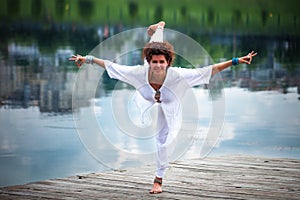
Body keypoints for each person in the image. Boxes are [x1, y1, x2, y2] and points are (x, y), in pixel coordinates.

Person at [69, 21, 257, 194]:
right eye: (154, 62)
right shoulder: (138, 73)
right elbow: (111, 66)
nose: (158, 65)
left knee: (164, 141)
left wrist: (236, 61)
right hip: (148, 97)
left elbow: (208, 71)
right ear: (148, 62)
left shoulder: (178, 75)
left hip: (169, 103)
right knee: (155, 46)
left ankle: (158, 180)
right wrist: (88, 59)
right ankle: (158, 29)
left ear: (168, 63)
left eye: (162, 62)